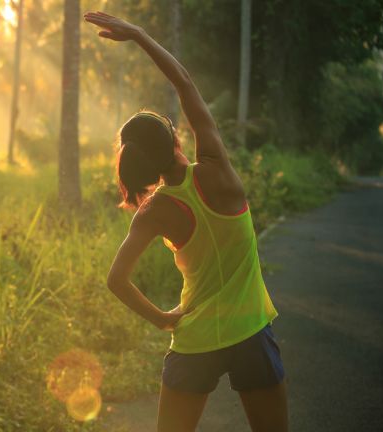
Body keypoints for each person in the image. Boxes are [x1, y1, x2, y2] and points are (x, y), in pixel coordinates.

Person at [83, 11, 288, 432]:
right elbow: (185, 84)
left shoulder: (153, 211)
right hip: (251, 332)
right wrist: (140, 35)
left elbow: (116, 279)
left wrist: (162, 317)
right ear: (175, 138)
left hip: (194, 341)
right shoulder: (216, 168)